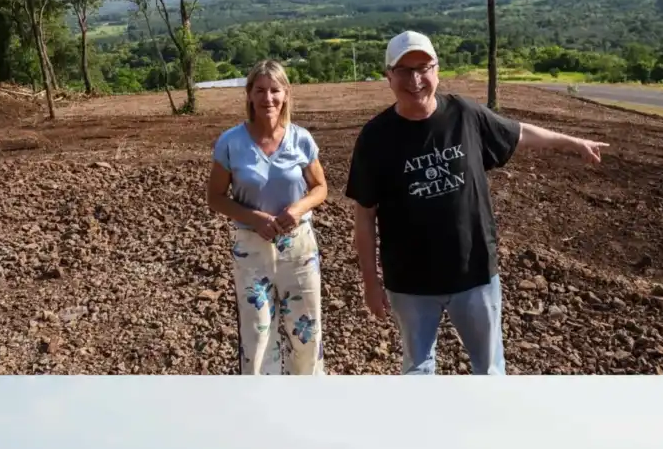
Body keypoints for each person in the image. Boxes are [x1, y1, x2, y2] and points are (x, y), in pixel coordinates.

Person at [345, 30, 610, 375]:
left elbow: (518, 133)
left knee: (488, 369)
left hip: (474, 273)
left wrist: (571, 142)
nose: (416, 79)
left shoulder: (464, 115)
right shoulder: (375, 137)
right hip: (410, 282)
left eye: (424, 68)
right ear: (389, 76)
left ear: (437, 69)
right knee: (418, 369)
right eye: (405, 70)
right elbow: (364, 216)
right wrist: (370, 281)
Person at [207, 60, 328, 375]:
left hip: (299, 247)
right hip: (252, 249)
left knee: (307, 332)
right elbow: (215, 197)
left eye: (275, 90)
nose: (268, 98)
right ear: (248, 95)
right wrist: (254, 217)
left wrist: (297, 209)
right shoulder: (231, 143)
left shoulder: (301, 139)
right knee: (258, 334)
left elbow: (320, 188)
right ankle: (262, 409)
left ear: (286, 94)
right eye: (260, 90)